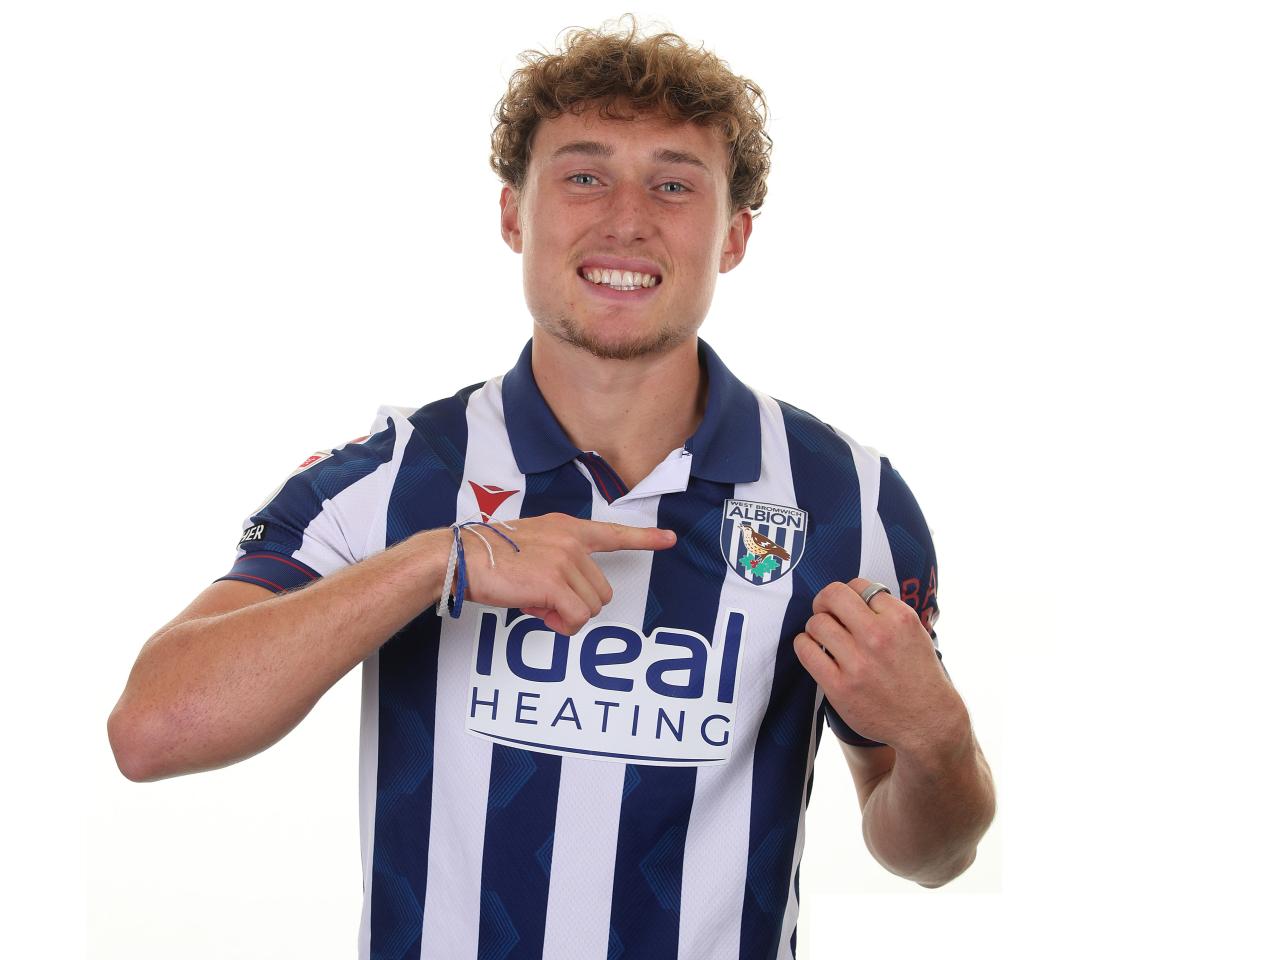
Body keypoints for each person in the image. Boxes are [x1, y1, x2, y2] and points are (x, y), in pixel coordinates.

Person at [108, 15, 995, 959]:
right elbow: (153, 732)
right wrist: (434, 565)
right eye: (582, 175)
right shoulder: (395, 476)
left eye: (673, 183)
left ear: (733, 235)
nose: (626, 216)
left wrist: (942, 741)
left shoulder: (847, 499)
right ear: (511, 214)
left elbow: (930, 857)